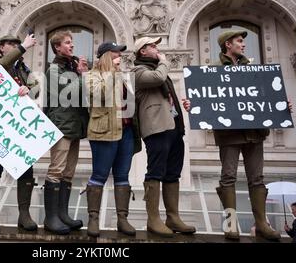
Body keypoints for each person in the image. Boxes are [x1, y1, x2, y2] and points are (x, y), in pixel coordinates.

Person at [208, 30, 282, 241]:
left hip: (254, 133)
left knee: (257, 178)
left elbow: (265, 93)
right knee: (228, 177)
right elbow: (207, 97)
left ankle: (261, 224)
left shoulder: (251, 67)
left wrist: (280, 106)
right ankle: (230, 225)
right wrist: (195, 104)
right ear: (228, 44)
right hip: (229, 133)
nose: (243, 44)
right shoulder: (214, 69)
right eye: (240, 41)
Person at [132, 36, 196, 238]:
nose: (156, 48)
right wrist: (164, 61)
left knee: (173, 172)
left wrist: (183, 105)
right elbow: (158, 78)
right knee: (155, 171)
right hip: (156, 129)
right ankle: (153, 219)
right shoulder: (138, 71)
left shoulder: (161, 70)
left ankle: (173, 217)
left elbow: (166, 94)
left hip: (174, 127)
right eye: (152, 45)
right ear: (142, 51)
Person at [0, 33, 37, 232]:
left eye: (16, 44)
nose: (14, 47)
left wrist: (27, 88)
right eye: (10, 44)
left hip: (19, 125)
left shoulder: (23, 68)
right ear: (2, 47)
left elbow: (36, 86)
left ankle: (24, 214)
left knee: (26, 167)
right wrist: (23, 47)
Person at [84, 42, 141, 237]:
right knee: (99, 175)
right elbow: (100, 93)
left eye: (119, 54)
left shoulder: (120, 76)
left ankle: (122, 219)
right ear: (106, 56)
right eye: (115, 53)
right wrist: (113, 73)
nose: (119, 57)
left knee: (122, 176)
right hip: (103, 132)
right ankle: (93, 218)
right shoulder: (92, 75)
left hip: (125, 132)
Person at [43, 30, 89, 235]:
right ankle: (50, 218)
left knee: (68, 173)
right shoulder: (53, 69)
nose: (72, 46)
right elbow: (68, 92)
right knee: (56, 170)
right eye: (68, 43)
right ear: (57, 47)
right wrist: (82, 75)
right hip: (61, 125)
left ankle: (63, 214)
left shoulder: (71, 66)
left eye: (72, 43)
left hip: (75, 126)